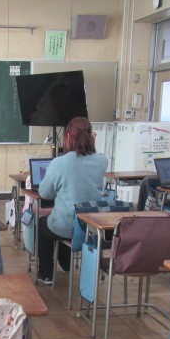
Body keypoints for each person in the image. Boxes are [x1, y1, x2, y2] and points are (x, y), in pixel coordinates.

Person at [37, 117, 108, 284]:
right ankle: (66, 264)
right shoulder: (102, 161)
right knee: (62, 222)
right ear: (91, 136)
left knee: (43, 224)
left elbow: (45, 193)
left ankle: (46, 274)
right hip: (92, 227)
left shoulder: (59, 163)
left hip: (67, 225)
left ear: (67, 137)